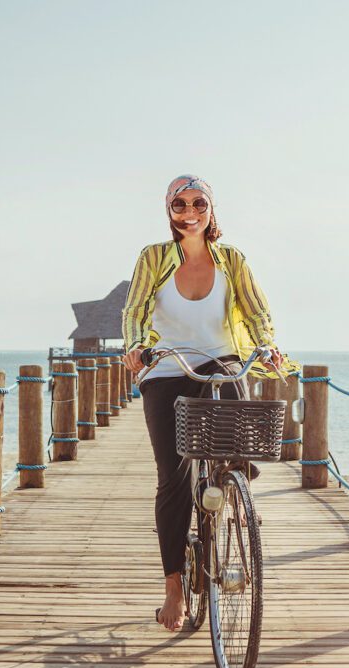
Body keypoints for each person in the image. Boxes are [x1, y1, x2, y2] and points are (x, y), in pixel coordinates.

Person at [122, 174, 297, 631]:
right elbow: (136, 309)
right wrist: (137, 346)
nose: (189, 212)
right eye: (179, 204)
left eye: (198, 203)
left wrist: (268, 345)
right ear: (169, 211)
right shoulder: (154, 258)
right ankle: (174, 589)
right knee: (173, 479)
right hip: (165, 366)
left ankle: (235, 477)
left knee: (239, 416)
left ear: (211, 209)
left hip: (220, 359)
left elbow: (256, 308)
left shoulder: (232, 259)